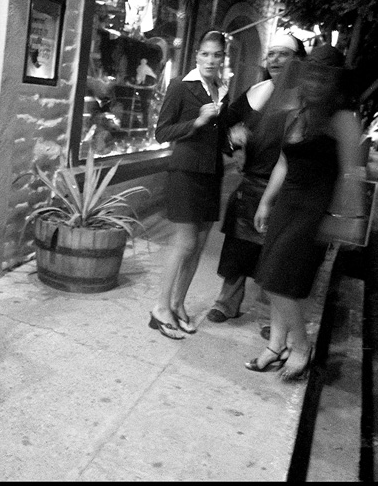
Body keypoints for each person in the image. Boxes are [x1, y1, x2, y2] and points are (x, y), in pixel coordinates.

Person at [245, 44, 364, 380]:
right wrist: (267, 201)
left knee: (280, 283)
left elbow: (350, 173)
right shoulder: (298, 109)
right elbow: (284, 159)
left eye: (323, 77)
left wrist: (345, 221)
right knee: (271, 277)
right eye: (311, 74)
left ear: (335, 83)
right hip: (287, 204)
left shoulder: (343, 120)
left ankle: (300, 347)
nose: (314, 82)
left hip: (314, 209)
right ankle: (276, 345)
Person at [208, 33, 306, 324]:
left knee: (275, 257)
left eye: (283, 54)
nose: (275, 60)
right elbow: (224, 126)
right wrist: (232, 141)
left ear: (297, 60)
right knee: (238, 248)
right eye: (271, 54)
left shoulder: (305, 97)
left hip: (287, 187)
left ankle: (269, 317)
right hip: (251, 184)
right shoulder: (256, 92)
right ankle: (226, 303)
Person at [148, 30, 229, 340]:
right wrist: (195, 122)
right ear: (197, 56)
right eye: (205, 54)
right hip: (185, 172)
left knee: (200, 243)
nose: (210, 60)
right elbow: (162, 132)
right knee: (184, 242)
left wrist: (232, 140)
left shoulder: (222, 90)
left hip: (212, 174)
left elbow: (218, 136)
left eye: (216, 55)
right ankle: (160, 307)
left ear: (223, 58)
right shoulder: (181, 87)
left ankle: (179, 305)